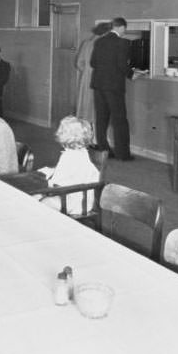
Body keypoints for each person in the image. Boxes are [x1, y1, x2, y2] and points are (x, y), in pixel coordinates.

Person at [38, 116, 100, 215]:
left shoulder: (69, 156)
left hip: (71, 201)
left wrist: (47, 180)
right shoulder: (82, 153)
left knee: (39, 201)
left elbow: (57, 183)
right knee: (38, 196)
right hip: (82, 199)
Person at [90, 16, 133, 161]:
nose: (124, 32)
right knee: (120, 120)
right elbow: (122, 65)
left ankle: (104, 150)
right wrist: (132, 74)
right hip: (114, 87)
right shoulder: (122, 43)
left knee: (102, 119)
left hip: (98, 85)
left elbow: (93, 63)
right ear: (121, 27)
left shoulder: (99, 41)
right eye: (124, 29)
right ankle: (123, 154)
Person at [75, 22, 111, 123]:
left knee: (86, 109)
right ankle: (96, 136)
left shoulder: (86, 43)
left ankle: (86, 134)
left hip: (86, 79)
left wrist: (87, 71)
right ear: (105, 33)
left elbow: (78, 63)